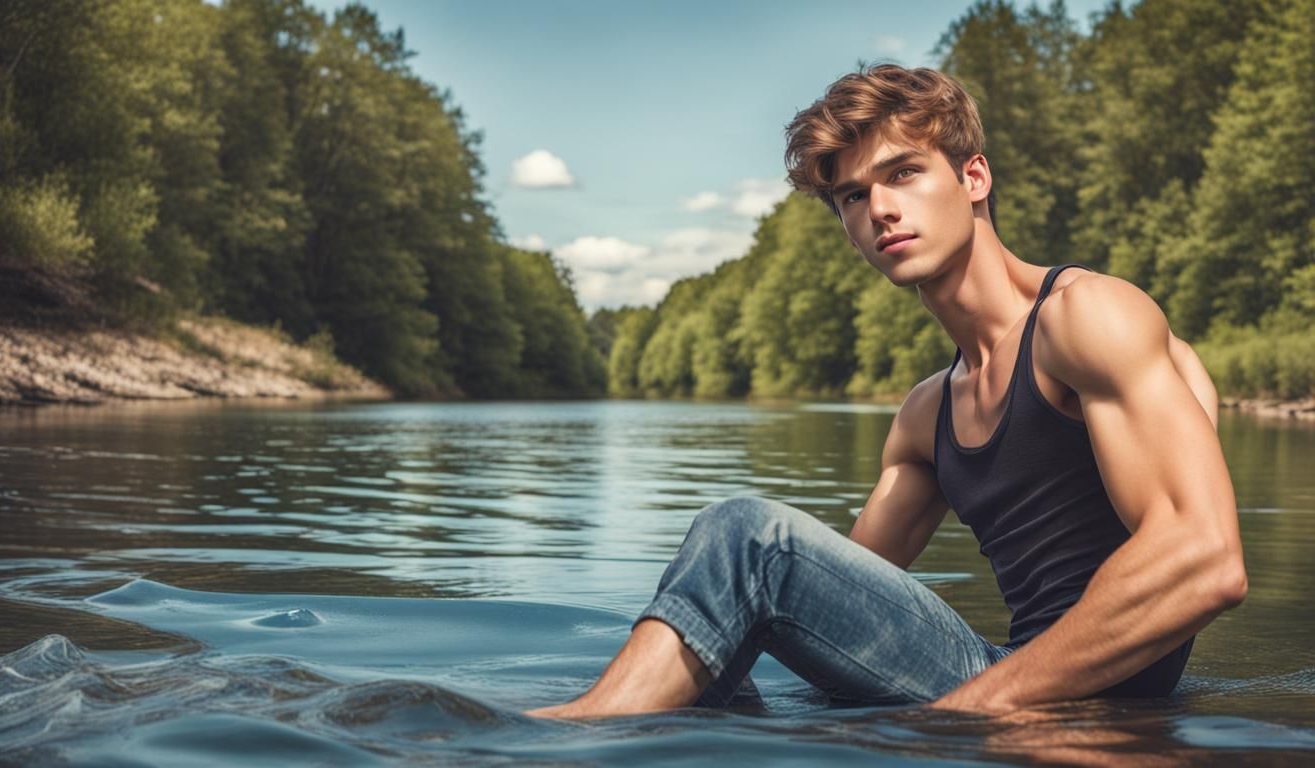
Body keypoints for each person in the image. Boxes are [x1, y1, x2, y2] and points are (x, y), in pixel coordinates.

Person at [526, 64, 1246, 719]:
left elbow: (1204, 559)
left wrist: (964, 715)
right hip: (1003, 678)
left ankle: (560, 741)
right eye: (853, 196)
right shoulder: (925, 415)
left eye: (903, 174)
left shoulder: (1085, 317)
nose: (880, 209)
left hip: (1053, 691)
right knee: (726, 575)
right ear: (846, 227)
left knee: (748, 535)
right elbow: (820, 592)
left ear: (974, 179)